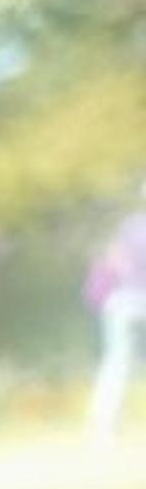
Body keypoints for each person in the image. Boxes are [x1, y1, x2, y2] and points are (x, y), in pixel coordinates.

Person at [91, 183, 146, 447]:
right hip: (133, 300)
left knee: (116, 364)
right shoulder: (132, 227)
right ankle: (105, 427)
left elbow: (115, 261)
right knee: (118, 363)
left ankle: (104, 428)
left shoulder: (130, 227)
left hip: (121, 301)